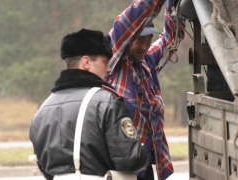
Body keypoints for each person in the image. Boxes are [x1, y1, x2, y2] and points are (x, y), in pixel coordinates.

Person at [107, 0, 199, 180]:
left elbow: (170, 40)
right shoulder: (114, 64)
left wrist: (175, 1)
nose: (146, 45)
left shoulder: (146, 63)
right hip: (120, 167)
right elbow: (128, 20)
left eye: (149, 39)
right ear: (128, 38)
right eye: (140, 39)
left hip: (143, 163)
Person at [29, 29, 148, 180]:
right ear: (86, 62)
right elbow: (131, 159)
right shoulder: (107, 101)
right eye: (105, 62)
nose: (109, 69)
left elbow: (44, 165)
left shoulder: (43, 109)